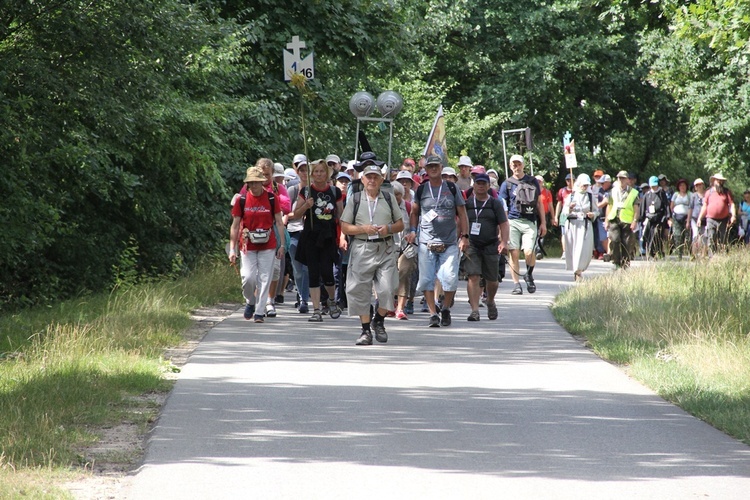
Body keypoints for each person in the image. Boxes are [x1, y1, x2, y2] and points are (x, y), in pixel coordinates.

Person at [340, 164, 404, 345]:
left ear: (381, 180)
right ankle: (365, 330)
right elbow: (345, 226)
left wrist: (388, 228)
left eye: (376, 177)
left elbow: (400, 225)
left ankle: (379, 320)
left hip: (385, 248)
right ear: (362, 179)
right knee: (360, 290)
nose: (372, 180)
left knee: (388, 288)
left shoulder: (389, 198)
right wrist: (363, 229)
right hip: (362, 247)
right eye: (369, 177)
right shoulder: (356, 199)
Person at [405, 154, 470, 327]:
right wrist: (412, 231)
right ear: (425, 170)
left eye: (436, 166)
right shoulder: (421, 190)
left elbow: (462, 213)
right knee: (426, 279)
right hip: (426, 242)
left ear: (441, 168)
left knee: (450, 278)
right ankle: (433, 314)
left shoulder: (451, 187)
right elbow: (414, 213)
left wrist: (464, 236)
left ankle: (446, 308)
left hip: (449, 242)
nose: (433, 169)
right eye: (430, 166)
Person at [229, 166, 285, 323]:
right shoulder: (242, 200)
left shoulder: (272, 198)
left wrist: (282, 245)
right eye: (251, 183)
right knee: (248, 278)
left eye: (257, 182)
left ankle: (259, 312)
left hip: (268, 243)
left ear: (263, 183)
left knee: (265, 278)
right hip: (247, 244)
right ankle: (250, 301)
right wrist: (232, 249)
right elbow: (235, 225)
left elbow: (279, 222)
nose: (254, 186)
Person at [292, 159, 344, 322]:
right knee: (313, 273)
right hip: (311, 236)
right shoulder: (306, 191)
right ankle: (316, 310)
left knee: (328, 273)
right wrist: (306, 206)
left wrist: (343, 235)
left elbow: (341, 216)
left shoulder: (335, 192)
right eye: (316, 172)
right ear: (312, 174)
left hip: (328, 236)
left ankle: (331, 300)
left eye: (322, 171)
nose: (319, 174)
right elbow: (296, 214)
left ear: (327, 173)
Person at [499, 154, 547, 295]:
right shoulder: (506, 184)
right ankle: (516, 284)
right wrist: (503, 228)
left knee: (528, 251)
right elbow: (503, 207)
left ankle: (529, 274)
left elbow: (539, 203)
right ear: (510, 166)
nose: (516, 167)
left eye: (518, 164)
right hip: (512, 221)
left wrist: (543, 223)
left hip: (529, 221)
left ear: (523, 165)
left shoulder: (532, 181)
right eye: (513, 164)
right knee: (513, 252)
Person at [464, 173, 509, 321]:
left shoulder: (495, 203)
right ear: (474, 185)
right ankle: (475, 310)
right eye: (478, 183)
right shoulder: (468, 203)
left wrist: (504, 242)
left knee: (492, 280)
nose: (481, 186)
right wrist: (460, 238)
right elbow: (461, 222)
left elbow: (504, 224)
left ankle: (490, 301)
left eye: (484, 183)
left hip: (491, 245)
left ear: (489, 186)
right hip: (472, 245)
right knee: (473, 275)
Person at [286, 155, 311, 313]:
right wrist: (301, 210)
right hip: (294, 231)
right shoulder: (293, 190)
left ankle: (304, 299)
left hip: (310, 233)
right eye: (301, 170)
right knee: (297, 268)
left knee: (308, 268)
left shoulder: (314, 189)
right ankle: (301, 293)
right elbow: (287, 214)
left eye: (307, 170)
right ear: (297, 171)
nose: (304, 173)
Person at [563, 174, 598, 281]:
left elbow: (596, 211)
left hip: (585, 225)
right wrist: (570, 208)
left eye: (586, 185)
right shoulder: (571, 196)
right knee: (574, 247)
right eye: (583, 185)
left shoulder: (590, 197)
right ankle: (576, 270)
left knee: (583, 248)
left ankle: (579, 270)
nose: (584, 187)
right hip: (572, 225)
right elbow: (564, 212)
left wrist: (593, 215)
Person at [392, 181, 418, 320]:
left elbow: (415, 225)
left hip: (406, 247)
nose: (395, 197)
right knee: (386, 276)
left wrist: (413, 233)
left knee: (404, 273)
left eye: (397, 194)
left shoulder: (408, 207)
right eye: (393, 194)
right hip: (388, 247)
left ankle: (401, 308)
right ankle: (388, 304)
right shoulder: (384, 207)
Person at [604, 170, 640, 268]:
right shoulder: (613, 191)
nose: (621, 180)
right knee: (614, 240)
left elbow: (636, 209)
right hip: (614, 218)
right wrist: (606, 220)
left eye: (623, 178)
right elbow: (609, 206)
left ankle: (625, 264)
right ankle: (616, 261)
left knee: (626, 244)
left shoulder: (633, 192)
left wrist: (635, 221)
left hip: (627, 221)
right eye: (619, 178)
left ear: (628, 180)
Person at [698, 173, 737, 254]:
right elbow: (705, 206)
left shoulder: (727, 192)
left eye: (721, 181)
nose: (719, 182)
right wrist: (699, 218)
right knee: (711, 238)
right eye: (718, 180)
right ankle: (712, 258)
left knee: (723, 240)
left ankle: (723, 257)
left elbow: (732, 204)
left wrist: (733, 215)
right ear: (714, 181)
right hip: (710, 219)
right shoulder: (709, 192)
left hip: (723, 220)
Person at [639, 176, 671, 259]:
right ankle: (649, 252)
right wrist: (641, 219)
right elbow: (643, 208)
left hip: (659, 218)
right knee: (648, 235)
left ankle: (657, 252)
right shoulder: (647, 195)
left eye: (655, 185)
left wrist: (668, 218)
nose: (653, 187)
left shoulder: (661, 193)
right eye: (652, 185)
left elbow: (666, 206)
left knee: (657, 234)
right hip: (649, 218)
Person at [554, 173, 575, 259]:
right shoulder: (562, 191)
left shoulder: (577, 191)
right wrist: (556, 216)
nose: (570, 182)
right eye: (568, 180)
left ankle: (573, 251)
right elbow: (559, 203)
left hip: (574, 215)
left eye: (571, 180)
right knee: (564, 234)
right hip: (564, 214)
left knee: (573, 233)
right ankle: (565, 251)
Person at [670, 179, 691, 258]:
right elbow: (671, 206)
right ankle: (679, 254)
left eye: (684, 185)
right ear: (678, 187)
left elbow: (691, 206)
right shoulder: (676, 194)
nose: (682, 187)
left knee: (687, 236)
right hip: (676, 218)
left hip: (686, 218)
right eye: (680, 185)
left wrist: (689, 218)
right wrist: (673, 215)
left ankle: (690, 253)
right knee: (677, 235)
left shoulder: (689, 194)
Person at [595, 174, 612, 259]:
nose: (601, 185)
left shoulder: (612, 191)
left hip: (610, 217)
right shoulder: (600, 190)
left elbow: (604, 202)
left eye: (603, 183)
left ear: (608, 182)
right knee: (602, 238)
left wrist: (597, 205)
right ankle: (608, 253)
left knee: (610, 236)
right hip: (600, 217)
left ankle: (609, 254)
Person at [689, 178, 706, 257]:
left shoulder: (707, 195)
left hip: (705, 219)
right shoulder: (693, 196)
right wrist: (688, 220)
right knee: (695, 235)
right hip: (694, 218)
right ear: (695, 187)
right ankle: (693, 254)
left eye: (700, 184)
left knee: (704, 236)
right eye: (697, 185)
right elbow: (690, 208)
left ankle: (703, 254)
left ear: (703, 185)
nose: (699, 186)